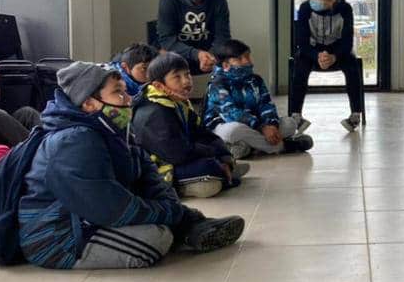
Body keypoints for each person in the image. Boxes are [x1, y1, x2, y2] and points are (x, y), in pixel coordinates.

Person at [18, 61, 244, 270]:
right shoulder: (73, 141)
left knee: (163, 221)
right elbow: (111, 208)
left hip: (91, 217)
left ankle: (188, 225)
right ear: (89, 103)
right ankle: (186, 229)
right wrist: (171, 213)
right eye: (117, 92)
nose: (128, 98)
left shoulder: (115, 128)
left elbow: (149, 177)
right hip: (56, 237)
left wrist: (174, 209)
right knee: (156, 238)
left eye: (125, 90)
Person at [131, 52, 241, 199]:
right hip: (161, 167)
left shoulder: (178, 102)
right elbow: (177, 154)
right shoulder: (153, 113)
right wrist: (214, 157)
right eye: (177, 77)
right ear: (159, 85)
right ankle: (207, 178)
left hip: (181, 157)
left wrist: (223, 155)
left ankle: (221, 172)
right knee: (209, 168)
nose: (186, 81)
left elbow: (203, 133)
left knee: (221, 159)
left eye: (187, 74)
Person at [205, 39, 313, 157]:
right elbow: (232, 114)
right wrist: (262, 128)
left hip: (256, 125)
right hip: (226, 125)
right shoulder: (217, 84)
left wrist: (271, 124)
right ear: (226, 65)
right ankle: (285, 146)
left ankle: (248, 147)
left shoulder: (256, 80)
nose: (247, 62)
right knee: (234, 131)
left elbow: (266, 105)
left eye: (248, 57)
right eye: (240, 59)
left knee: (290, 123)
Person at [290, 0, 365, 133]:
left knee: (352, 65)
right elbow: (301, 42)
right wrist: (317, 55)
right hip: (311, 50)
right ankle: (295, 116)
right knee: (300, 65)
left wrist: (334, 56)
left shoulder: (345, 9)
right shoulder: (304, 8)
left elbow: (347, 42)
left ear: (332, 0)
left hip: (337, 51)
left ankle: (355, 115)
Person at [156, 0, 231, 75]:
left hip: (209, 54)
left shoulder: (218, 0)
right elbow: (167, 40)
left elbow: (223, 37)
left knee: (235, 58)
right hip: (179, 53)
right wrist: (197, 54)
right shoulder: (168, 0)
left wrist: (210, 56)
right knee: (162, 54)